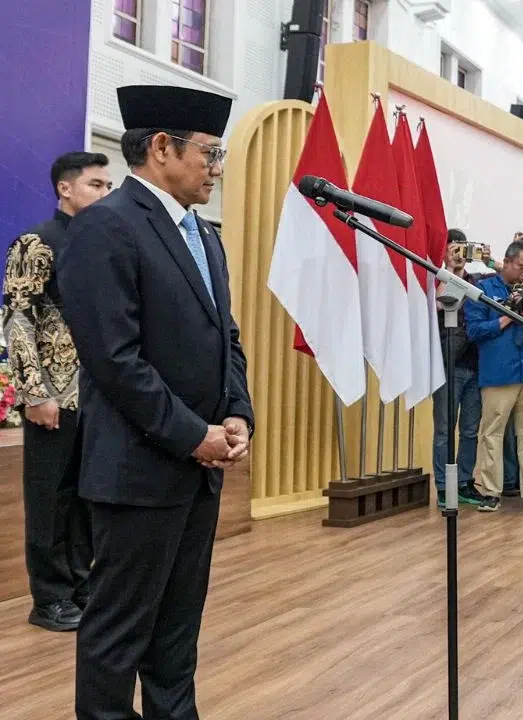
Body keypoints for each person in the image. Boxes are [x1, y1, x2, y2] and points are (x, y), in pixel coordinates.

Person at [57, 85, 253, 720]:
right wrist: (193, 434)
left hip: (198, 471)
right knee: (119, 634)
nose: (216, 168)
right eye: (210, 153)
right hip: (138, 471)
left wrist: (236, 412)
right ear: (162, 147)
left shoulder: (206, 236)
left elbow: (226, 337)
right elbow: (114, 360)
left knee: (177, 634)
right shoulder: (105, 227)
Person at [2, 151, 112, 632]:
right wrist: (34, 392)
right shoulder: (37, 242)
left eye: (108, 186)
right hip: (53, 395)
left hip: (99, 395)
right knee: (50, 498)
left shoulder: (102, 242)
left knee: (88, 496)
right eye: (95, 185)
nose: (105, 193)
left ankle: (81, 586)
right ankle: (48, 597)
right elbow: (18, 319)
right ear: (65, 188)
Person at [465, 240, 523, 512]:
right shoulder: (483, 289)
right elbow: (475, 331)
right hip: (498, 373)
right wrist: (509, 316)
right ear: (506, 261)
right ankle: (490, 492)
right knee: (492, 433)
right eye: (521, 267)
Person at [431, 230, 487, 507]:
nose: (459, 255)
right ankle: (444, 486)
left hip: (475, 365)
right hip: (448, 365)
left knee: (470, 430)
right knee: (444, 430)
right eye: (453, 249)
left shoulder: (477, 282)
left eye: (462, 250)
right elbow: (443, 303)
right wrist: (451, 270)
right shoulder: (438, 279)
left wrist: (489, 260)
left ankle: (464, 482)